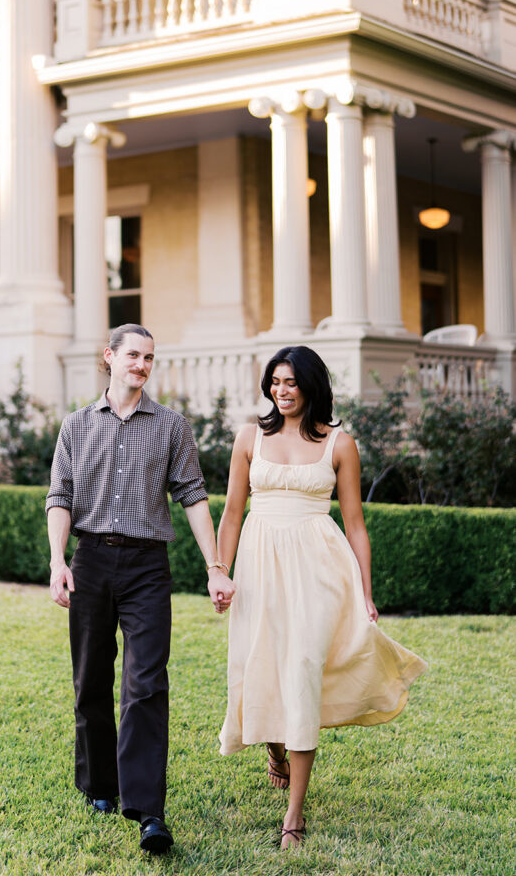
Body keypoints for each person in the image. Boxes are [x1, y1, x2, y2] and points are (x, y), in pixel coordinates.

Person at [216, 345, 427, 850]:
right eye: (275, 382)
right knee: (261, 665)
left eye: (291, 382)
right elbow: (231, 513)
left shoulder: (340, 443)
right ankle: (274, 747)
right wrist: (218, 572)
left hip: (318, 569)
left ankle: (294, 816)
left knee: (304, 669)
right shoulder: (249, 438)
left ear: (311, 386)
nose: (281, 391)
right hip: (260, 566)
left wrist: (366, 592)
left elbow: (354, 524)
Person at [46, 323, 235, 856]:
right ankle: (99, 784)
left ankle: (148, 809)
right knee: (90, 681)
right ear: (109, 358)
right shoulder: (76, 426)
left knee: (146, 684)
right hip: (91, 562)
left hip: (148, 568)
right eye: (133, 355)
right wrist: (58, 561)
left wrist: (214, 566)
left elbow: (193, 495)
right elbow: (59, 495)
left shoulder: (172, 426)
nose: (142, 365)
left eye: (149, 357)